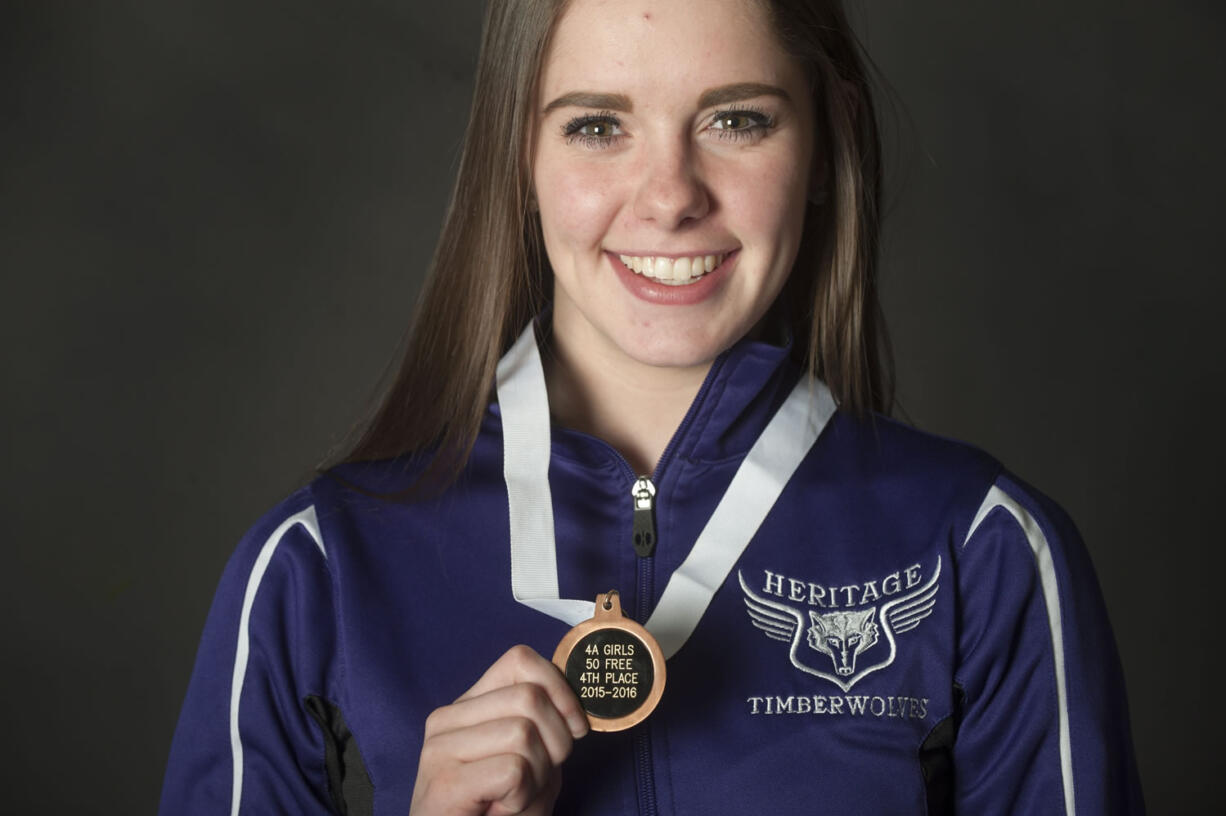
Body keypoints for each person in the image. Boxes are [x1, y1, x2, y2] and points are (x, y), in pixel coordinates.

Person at [160, 0, 1144, 813]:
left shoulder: (980, 547)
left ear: (826, 141)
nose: (669, 196)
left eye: (735, 119)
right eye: (597, 125)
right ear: (521, 158)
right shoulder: (319, 563)